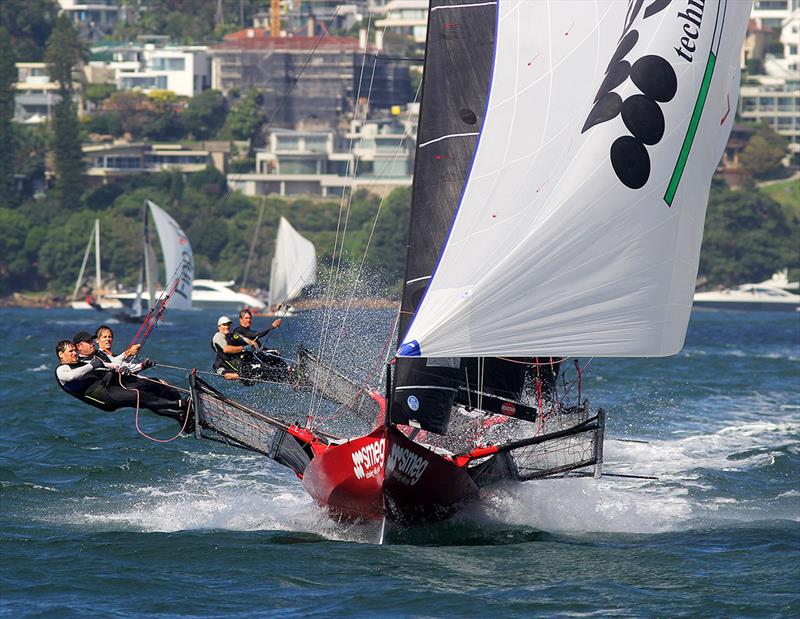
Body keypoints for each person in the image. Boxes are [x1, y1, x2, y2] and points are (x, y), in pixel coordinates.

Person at [54, 339, 188, 424]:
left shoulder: (82, 362)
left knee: (147, 394)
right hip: (104, 398)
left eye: (74, 351)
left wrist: (137, 367)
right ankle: (180, 404)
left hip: (111, 389)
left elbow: (109, 365)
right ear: (61, 354)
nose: (74, 353)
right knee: (138, 395)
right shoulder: (61, 370)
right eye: (70, 351)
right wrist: (91, 365)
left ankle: (180, 416)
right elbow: (71, 377)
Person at [211, 316, 242, 380]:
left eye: (228, 324)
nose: (227, 327)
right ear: (219, 327)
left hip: (232, 365)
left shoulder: (231, 335)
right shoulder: (218, 336)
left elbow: (245, 340)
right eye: (224, 325)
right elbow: (226, 349)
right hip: (221, 365)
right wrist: (242, 348)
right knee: (236, 375)